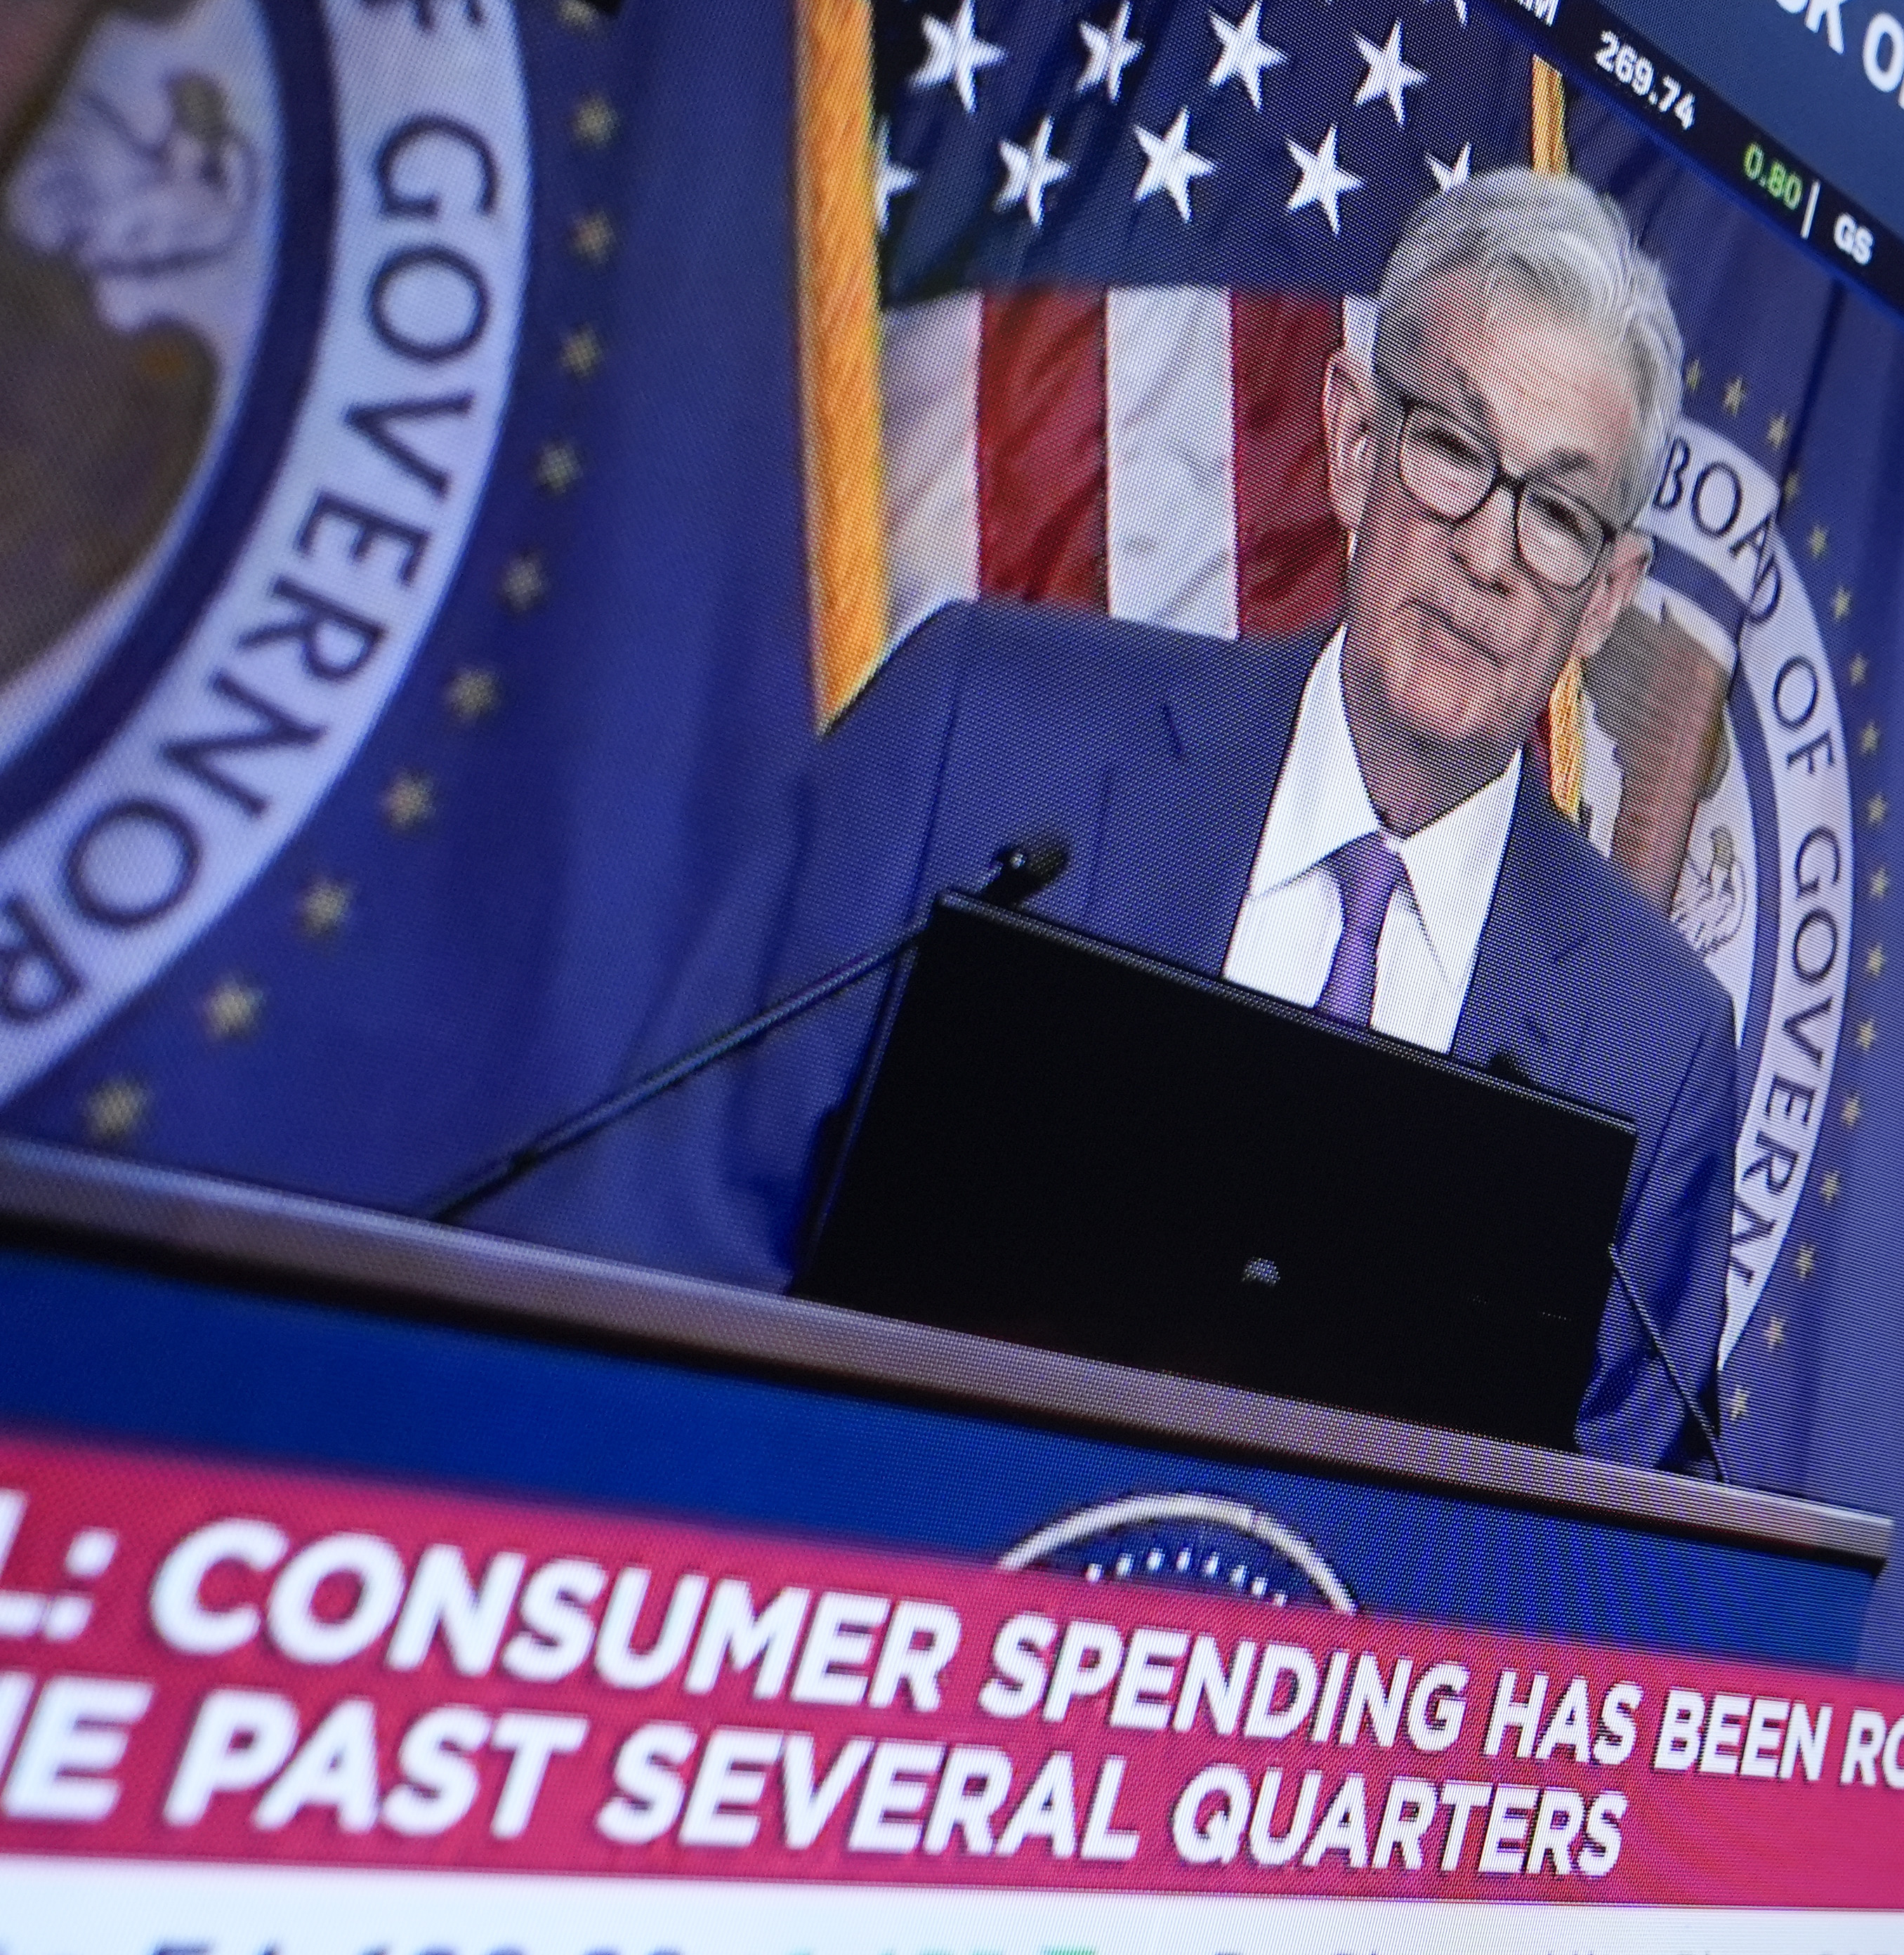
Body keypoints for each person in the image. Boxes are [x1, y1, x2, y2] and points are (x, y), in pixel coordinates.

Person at [506, 173, 1732, 1468]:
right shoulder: (980, 737)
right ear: (1356, 444)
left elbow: (1624, 1588)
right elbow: (654, 1233)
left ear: (1607, 598)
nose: (1488, 552)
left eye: (1555, 511)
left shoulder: (1649, 1045)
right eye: (1452, 450)